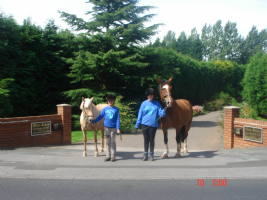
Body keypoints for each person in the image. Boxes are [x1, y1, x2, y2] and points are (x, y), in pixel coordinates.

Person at [135, 88, 167, 161]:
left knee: (152, 140)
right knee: (146, 140)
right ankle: (145, 155)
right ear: (147, 95)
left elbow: (161, 114)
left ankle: (151, 155)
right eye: (149, 95)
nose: (150, 96)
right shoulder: (144, 103)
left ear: (153, 96)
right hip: (144, 124)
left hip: (153, 125)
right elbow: (140, 114)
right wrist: (137, 125)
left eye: (152, 95)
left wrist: (164, 111)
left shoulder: (157, 103)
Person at [90, 94, 120, 162]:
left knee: (112, 142)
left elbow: (118, 119)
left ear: (113, 101)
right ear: (107, 101)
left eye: (112, 100)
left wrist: (118, 128)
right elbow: (100, 116)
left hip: (114, 128)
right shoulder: (105, 109)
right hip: (106, 127)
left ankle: (113, 155)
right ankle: (108, 155)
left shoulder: (116, 109)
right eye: (109, 100)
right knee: (108, 142)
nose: (110, 102)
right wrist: (93, 122)